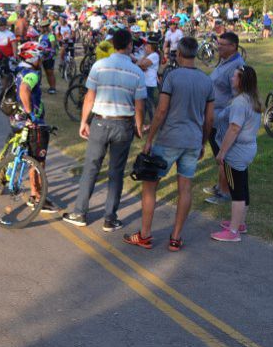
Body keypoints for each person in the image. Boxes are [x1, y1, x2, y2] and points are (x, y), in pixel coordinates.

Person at [124, 37, 214, 251]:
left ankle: (145, 234)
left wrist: (149, 139)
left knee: (150, 185)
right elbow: (209, 118)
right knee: (185, 189)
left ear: (179, 54)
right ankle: (175, 237)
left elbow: (161, 111)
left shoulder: (172, 76)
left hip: (169, 139)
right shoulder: (206, 80)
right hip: (192, 141)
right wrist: (202, 142)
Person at [64, 29, 146, 230]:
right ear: (129, 46)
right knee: (116, 172)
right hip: (123, 124)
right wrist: (138, 126)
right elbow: (140, 105)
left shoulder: (99, 66)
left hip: (100, 122)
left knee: (91, 168)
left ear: (112, 44)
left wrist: (84, 121)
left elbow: (89, 97)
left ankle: (80, 212)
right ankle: (110, 218)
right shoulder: (137, 72)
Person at [211, 65, 263, 242]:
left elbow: (234, 128)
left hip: (237, 152)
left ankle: (233, 232)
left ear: (241, 81)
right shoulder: (251, 99)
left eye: (235, 77)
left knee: (237, 191)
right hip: (248, 148)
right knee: (243, 186)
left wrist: (222, 152)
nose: (232, 79)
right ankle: (240, 223)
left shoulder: (240, 102)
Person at [10, 41, 56, 213]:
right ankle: (36, 197)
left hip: (17, 117)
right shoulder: (32, 73)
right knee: (38, 160)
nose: (41, 59)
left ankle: (35, 193)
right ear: (31, 56)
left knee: (31, 155)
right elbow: (24, 90)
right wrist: (31, 114)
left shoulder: (19, 69)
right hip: (32, 121)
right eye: (39, 55)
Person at [204, 32, 245, 204]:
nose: (218, 47)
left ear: (233, 46)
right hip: (214, 116)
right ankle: (220, 186)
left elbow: (237, 97)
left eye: (222, 44)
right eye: (218, 43)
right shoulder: (225, 60)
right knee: (218, 154)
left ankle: (225, 192)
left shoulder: (236, 66)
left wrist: (221, 116)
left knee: (224, 156)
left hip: (222, 119)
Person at [137, 35, 161, 124]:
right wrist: (142, 63)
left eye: (147, 45)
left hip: (150, 83)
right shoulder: (149, 55)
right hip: (146, 83)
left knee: (149, 105)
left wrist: (141, 64)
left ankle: (153, 123)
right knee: (145, 105)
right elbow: (139, 64)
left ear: (151, 46)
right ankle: (146, 122)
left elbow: (141, 65)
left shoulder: (154, 55)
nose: (145, 47)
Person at [37, 20, 57, 94]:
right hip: (41, 56)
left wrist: (49, 52)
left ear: (45, 28)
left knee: (49, 72)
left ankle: (52, 87)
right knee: (39, 72)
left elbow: (53, 47)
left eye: (41, 27)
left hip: (49, 57)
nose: (40, 29)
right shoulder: (41, 36)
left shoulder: (51, 36)